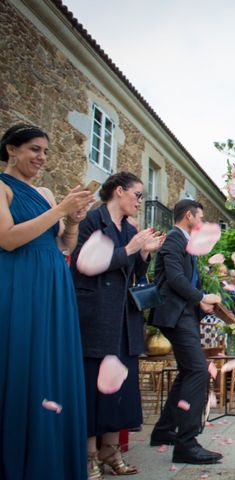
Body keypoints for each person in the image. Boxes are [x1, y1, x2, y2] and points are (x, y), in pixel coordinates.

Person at [0, 124, 94, 479]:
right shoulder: (2, 187)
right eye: (34, 150)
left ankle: (54, 462)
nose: (41, 158)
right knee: (26, 364)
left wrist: (71, 220)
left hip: (54, 282)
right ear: (11, 149)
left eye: (45, 152)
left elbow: (65, 245)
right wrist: (59, 211)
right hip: (20, 282)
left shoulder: (44, 192)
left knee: (53, 365)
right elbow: (7, 238)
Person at [70, 172, 164, 478]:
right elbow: (84, 265)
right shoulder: (91, 222)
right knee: (92, 387)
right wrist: (130, 248)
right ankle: (88, 455)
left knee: (118, 387)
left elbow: (134, 272)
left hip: (124, 316)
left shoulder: (129, 228)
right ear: (119, 191)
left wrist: (144, 252)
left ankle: (111, 451)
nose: (140, 201)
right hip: (96, 313)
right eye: (137, 195)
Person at [148, 199, 223, 465]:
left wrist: (202, 302)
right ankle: (186, 444)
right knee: (198, 371)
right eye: (199, 218)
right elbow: (176, 279)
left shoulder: (185, 242)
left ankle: (164, 430)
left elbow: (186, 281)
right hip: (175, 316)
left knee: (188, 371)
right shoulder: (173, 240)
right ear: (189, 216)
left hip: (185, 315)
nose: (201, 224)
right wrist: (202, 296)